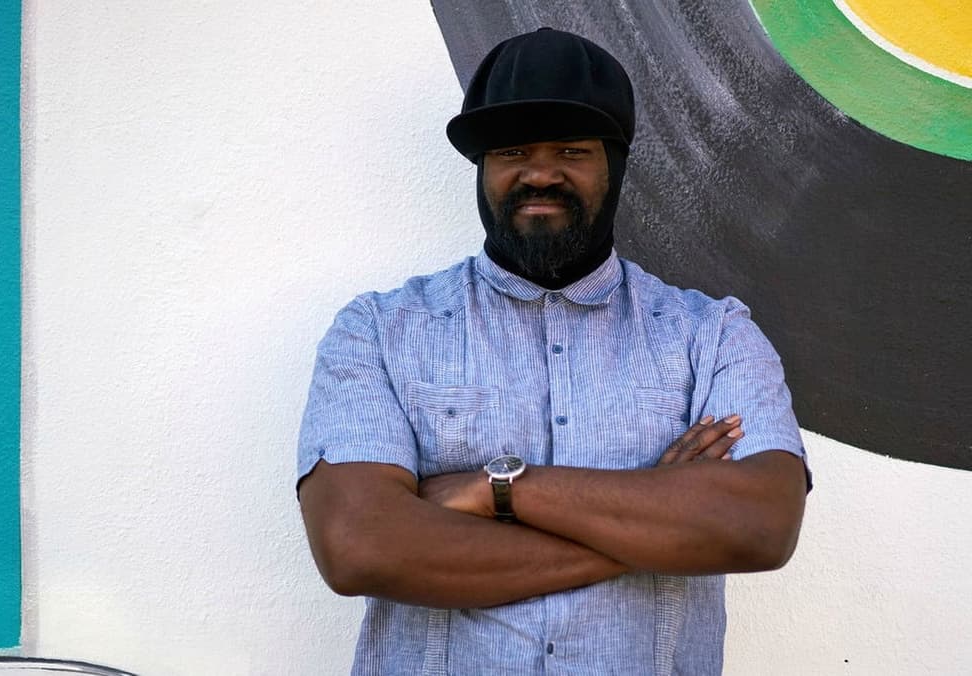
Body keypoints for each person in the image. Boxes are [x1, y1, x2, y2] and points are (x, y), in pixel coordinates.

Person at [296, 28, 810, 675]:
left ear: (615, 167)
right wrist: (656, 523)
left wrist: (497, 488)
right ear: (484, 169)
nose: (540, 173)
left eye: (571, 150)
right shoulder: (378, 330)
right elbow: (359, 548)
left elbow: (759, 526)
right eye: (513, 151)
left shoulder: (712, 335)